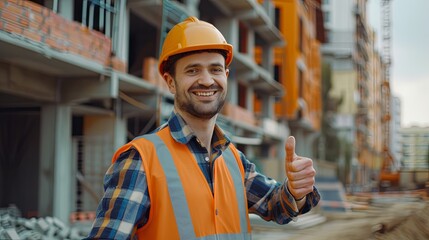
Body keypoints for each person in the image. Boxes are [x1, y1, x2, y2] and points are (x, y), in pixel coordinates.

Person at [85, 16, 320, 239]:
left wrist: (296, 190)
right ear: (170, 82)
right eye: (193, 70)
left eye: (215, 69)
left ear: (226, 76)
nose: (207, 80)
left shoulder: (233, 160)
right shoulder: (142, 160)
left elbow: (276, 204)